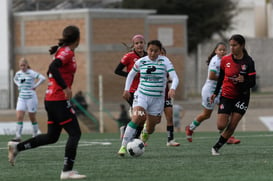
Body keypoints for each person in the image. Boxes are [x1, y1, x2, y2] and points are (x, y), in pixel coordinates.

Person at [8, 25, 86, 179]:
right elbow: (52, 67)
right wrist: (65, 87)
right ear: (77, 39)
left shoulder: (61, 51)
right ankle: (66, 171)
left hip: (51, 99)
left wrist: (60, 83)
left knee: (52, 137)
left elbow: (50, 71)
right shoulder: (67, 52)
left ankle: (17, 147)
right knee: (75, 133)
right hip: (58, 99)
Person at [117, 40, 179, 156]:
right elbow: (130, 75)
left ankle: (145, 132)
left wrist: (173, 88)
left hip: (157, 100)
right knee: (137, 117)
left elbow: (175, 77)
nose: (152, 53)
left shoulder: (165, 61)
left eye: (155, 51)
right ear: (148, 50)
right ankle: (123, 146)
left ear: (160, 51)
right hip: (142, 96)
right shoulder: (141, 61)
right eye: (150, 50)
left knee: (152, 126)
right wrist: (126, 89)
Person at [185, 42, 240, 144]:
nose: (222, 51)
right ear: (216, 51)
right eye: (220, 50)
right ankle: (190, 128)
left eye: (224, 50)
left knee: (226, 112)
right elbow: (212, 76)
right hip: (210, 92)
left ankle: (228, 136)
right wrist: (227, 78)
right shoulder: (215, 61)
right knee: (206, 115)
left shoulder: (225, 60)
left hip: (220, 91)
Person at [210, 34, 256, 155]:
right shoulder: (225, 60)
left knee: (232, 125)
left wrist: (244, 81)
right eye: (230, 45)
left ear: (242, 45)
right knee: (221, 125)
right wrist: (215, 93)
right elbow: (220, 78)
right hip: (227, 95)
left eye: (234, 45)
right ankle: (228, 114)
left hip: (242, 97)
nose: (232, 48)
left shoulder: (248, 62)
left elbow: (253, 82)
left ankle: (216, 147)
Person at [114, 34, 147, 139]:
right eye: (137, 43)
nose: (139, 45)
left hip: (144, 91)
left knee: (142, 116)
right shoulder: (129, 56)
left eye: (141, 42)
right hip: (132, 91)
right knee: (140, 114)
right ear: (133, 45)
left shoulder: (148, 56)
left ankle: (131, 134)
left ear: (144, 43)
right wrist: (130, 75)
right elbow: (117, 71)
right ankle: (134, 137)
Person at [13, 58, 45, 142]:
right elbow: (15, 79)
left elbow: (43, 78)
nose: (22, 67)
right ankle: (18, 136)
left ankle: (35, 134)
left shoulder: (31, 73)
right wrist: (18, 85)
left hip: (31, 98)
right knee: (19, 116)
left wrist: (35, 86)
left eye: (24, 65)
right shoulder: (18, 73)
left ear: (27, 65)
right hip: (21, 98)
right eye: (21, 65)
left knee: (32, 117)